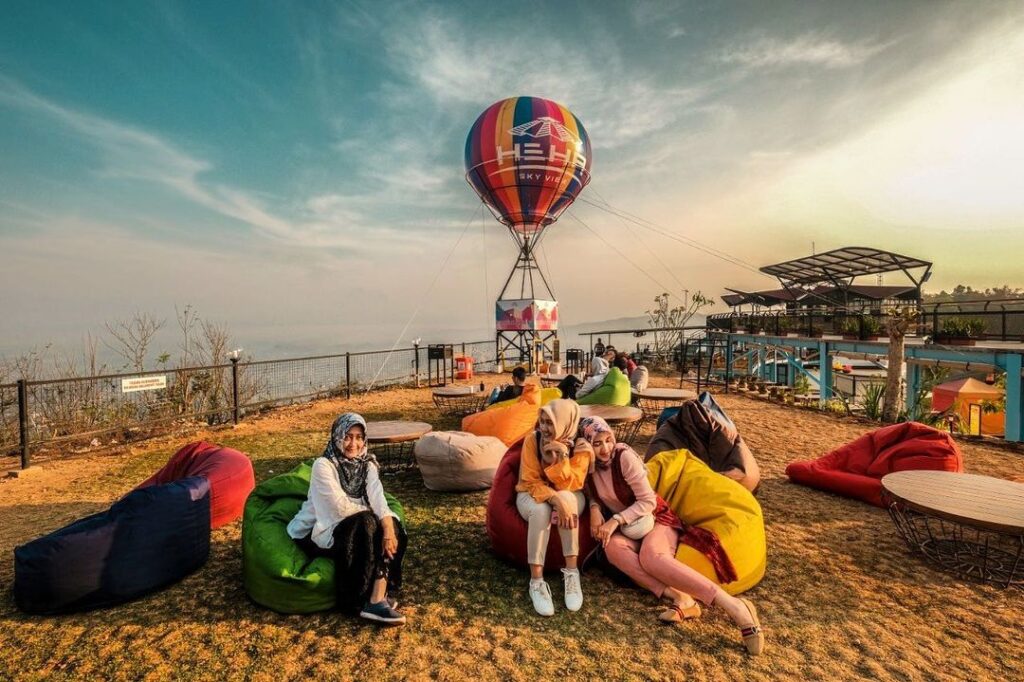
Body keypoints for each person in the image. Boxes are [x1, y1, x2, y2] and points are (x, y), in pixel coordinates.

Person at [580, 416, 764, 655]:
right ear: (586, 445)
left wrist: (614, 520)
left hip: (656, 518)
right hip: (629, 529)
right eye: (596, 443)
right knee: (611, 549)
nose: (605, 448)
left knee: (651, 557)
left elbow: (647, 501)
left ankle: (735, 607)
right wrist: (595, 508)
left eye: (608, 439)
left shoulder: (623, 457)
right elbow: (594, 492)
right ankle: (681, 598)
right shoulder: (587, 467)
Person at [287, 413, 408, 625]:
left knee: (391, 522)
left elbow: (378, 496)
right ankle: (357, 598)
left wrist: (387, 524)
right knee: (368, 522)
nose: (354, 443)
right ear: (337, 436)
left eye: (359, 437)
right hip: (320, 531)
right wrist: (377, 518)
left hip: (354, 528)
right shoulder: (323, 465)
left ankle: (377, 597)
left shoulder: (367, 464)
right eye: (348, 437)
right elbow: (339, 507)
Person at [515, 399, 594, 616]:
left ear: (564, 422)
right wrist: (554, 499)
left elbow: (573, 484)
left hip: (569, 493)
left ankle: (571, 573)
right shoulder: (533, 440)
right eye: (542, 421)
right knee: (543, 510)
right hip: (531, 493)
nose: (544, 428)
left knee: (567, 499)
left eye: (550, 423)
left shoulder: (580, 446)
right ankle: (536, 582)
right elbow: (530, 480)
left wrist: (562, 458)